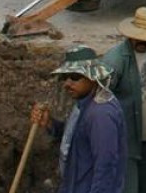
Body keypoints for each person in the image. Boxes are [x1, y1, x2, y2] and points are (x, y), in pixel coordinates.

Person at [31, 45, 127, 193]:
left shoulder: (101, 114)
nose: (67, 83)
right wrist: (50, 124)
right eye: (65, 77)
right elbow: (77, 137)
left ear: (93, 76)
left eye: (75, 77)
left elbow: (106, 168)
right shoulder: (83, 103)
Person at [102, 7, 146, 193]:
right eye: (140, 36)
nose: (143, 41)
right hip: (125, 140)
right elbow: (100, 99)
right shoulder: (116, 60)